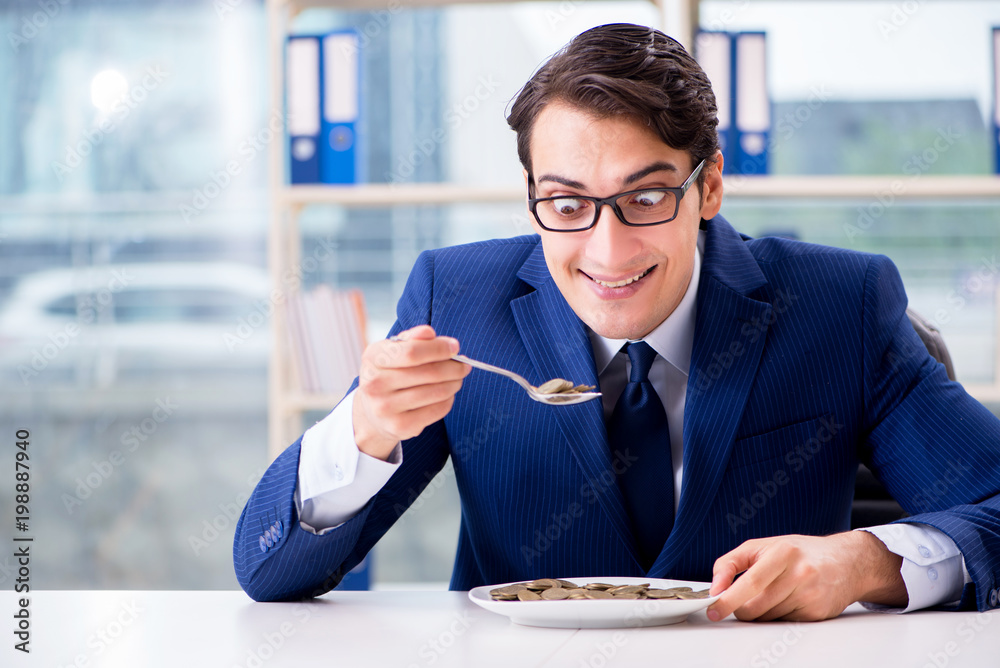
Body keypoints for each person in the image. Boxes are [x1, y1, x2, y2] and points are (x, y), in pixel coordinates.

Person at [235, 23, 1000, 621]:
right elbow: (267, 573)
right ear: (531, 193)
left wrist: (862, 563)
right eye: (567, 204)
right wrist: (364, 432)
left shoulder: (841, 307)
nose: (607, 251)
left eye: (644, 198)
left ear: (710, 188)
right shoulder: (457, 301)